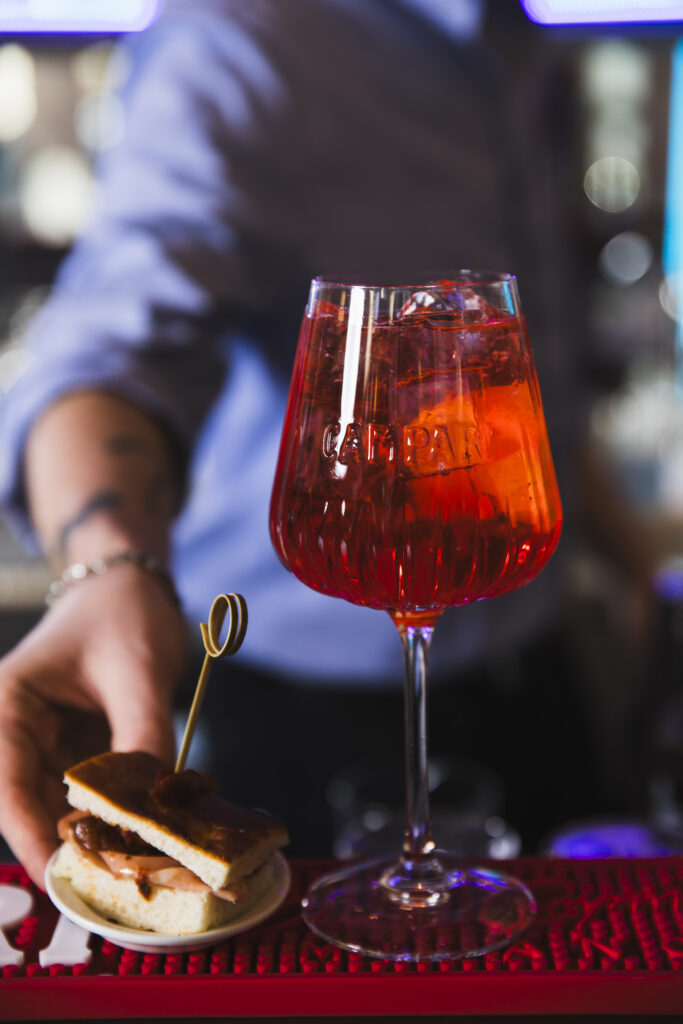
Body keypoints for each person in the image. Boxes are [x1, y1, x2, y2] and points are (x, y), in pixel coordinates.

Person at [0, 0, 592, 887]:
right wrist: (108, 567)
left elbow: (512, 404)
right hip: (307, 709)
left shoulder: (519, 40)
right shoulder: (239, 40)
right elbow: (111, 350)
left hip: (535, 659)